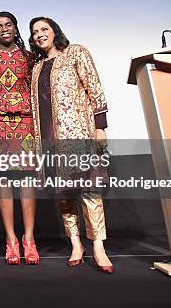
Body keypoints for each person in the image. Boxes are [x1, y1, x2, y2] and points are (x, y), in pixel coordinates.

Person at [29, 16, 114, 274]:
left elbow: (94, 88)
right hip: (48, 141)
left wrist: (100, 127)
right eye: (35, 32)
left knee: (89, 191)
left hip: (78, 136)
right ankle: (76, 244)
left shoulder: (75, 53)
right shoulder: (36, 67)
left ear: (55, 31)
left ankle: (98, 246)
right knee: (63, 196)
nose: (40, 35)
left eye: (45, 29)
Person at [0, 12, 39, 265]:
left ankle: (29, 239)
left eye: (8, 25)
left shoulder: (30, 57)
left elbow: (36, 91)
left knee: (27, 179)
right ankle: (11, 240)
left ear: (16, 29)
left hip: (26, 122)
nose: (4, 29)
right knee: (4, 180)